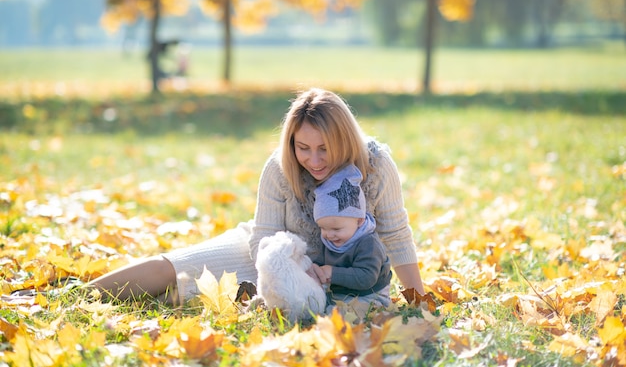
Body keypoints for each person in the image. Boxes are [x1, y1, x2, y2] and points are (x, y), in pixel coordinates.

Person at [87, 88, 425, 305]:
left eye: (325, 148)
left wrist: (417, 300)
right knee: (173, 271)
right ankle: (77, 294)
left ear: (345, 139)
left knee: (183, 296)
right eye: (303, 148)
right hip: (271, 257)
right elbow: (263, 236)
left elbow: (395, 234)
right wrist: (290, 272)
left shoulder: (376, 165)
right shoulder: (280, 168)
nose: (314, 160)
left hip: (347, 274)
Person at [312, 163, 392, 310]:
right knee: (315, 305)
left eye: (336, 228)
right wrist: (314, 269)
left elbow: (366, 278)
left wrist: (332, 273)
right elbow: (319, 260)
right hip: (341, 293)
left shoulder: (368, 243)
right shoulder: (330, 238)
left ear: (359, 220)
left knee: (337, 313)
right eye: (323, 228)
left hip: (370, 294)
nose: (329, 234)